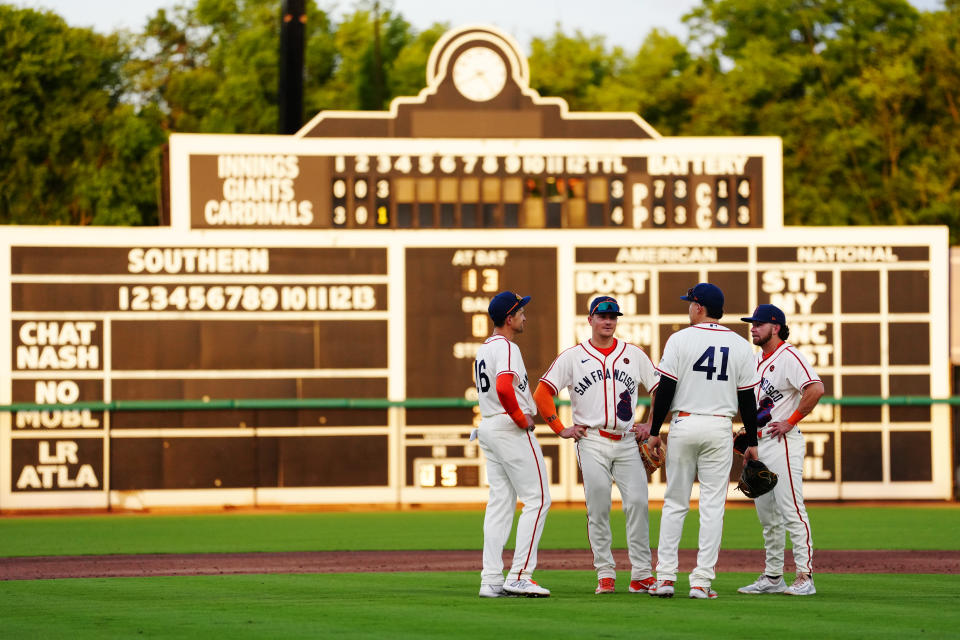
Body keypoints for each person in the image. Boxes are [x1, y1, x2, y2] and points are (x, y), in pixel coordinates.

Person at [534, 296, 660, 595]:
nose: (608, 321)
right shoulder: (573, 356)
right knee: (599, 507)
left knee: (639, 505)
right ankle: (605, 573)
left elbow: (660, 389)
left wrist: (652, 426)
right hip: (591, 439)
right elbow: (542, 393)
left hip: (629, 440)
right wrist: (559, 427)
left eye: (613, 316)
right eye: (602, 316)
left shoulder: (634, 354)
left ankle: (642, 574)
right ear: (589, 320)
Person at [645, 282, 760, 600]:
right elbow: (747, 398)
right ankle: (701, 583)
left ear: (698, 307)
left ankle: (665, 579)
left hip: (685, 423)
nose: (688, 308)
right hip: (719, 427)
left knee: (675, 504)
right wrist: (751, 438)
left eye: (690, 303)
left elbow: (665, 389)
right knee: (712, 508)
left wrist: (655, 431)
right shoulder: (739, 345)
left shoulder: (680, 339)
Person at [737, 304, 824, 597]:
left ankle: (805, 576)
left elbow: (815, 389)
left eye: (758, 324)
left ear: (775, 327)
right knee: (768, 516)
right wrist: (749, 438)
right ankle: (774, 576)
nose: (753, 328)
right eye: (752, 323)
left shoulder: (790, 356)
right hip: (761, 443)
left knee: (791, 509)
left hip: (783, 442)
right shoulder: (757, 361)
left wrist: (790, 421)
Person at [474, 290, 551, 598]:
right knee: (539, 498)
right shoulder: (506, 347)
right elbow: (505, 388)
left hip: (489, 426)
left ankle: (491, 579)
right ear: (509, 318)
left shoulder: (484, 349)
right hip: (509, 427)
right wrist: (520, 418)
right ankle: (520, 575)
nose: (524, 317)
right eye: (521, 312)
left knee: (500, 504)